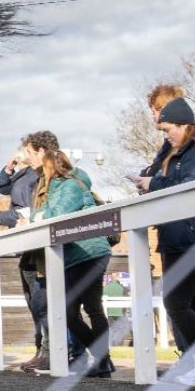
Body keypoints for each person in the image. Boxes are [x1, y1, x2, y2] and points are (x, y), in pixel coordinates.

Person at [136, 98, 195, 387]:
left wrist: (153, 185)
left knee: (175, 301)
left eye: (168, 129)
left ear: (183, 124)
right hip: (182, 235)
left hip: (194, 236)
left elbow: (186, 188)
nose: (166, 135)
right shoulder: (182, 152)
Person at [25, 132, 113, 378]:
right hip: (76, 255)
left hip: (89, 252)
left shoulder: (71, 183)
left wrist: (36, 216)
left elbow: (55, 213)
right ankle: (102, 358)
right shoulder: (61, 185)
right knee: (69, 312)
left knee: (91, 307)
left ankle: (103, 360)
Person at [0, 138, 47, 372]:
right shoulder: (25, 174)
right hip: (23, 242)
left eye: (28, 151)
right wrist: (9, 167)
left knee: (41, 300)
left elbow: (27, 211)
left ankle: (52, 351)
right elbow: (3, 187)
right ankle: (41, 350)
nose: (24, 154)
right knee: (33, 301)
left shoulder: (41, 176)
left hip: (36, 241)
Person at [103, 272, 132, 347]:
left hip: (108, 312)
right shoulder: (121, 288)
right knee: (125, 327)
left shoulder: (105, 288)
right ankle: (115, 343)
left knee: (111, 329)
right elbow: (127, 300)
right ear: (117, 278)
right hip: (119, 312)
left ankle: (110, 344)